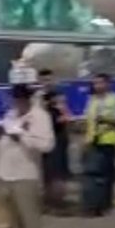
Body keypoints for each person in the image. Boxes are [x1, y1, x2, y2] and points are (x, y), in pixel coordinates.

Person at [0, 84, 55, 228]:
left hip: (26, 173)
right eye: (15, 100)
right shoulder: (11, 115)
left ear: (28, 100)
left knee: (29, 216)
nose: (18, 104)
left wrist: (22, 137)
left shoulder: (39, 117)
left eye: (21, 100)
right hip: (6, 172)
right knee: (15, 217)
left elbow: (47, 145)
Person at [81, 73, 115, 215]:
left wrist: (105, 119)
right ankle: (93, 204)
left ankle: (105, 205)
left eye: (100, 83)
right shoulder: (92, 100)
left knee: (106, 175)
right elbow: (87, 119)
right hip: (92, 140)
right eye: (95, 83)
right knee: (92, 174)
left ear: (108, 84)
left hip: (108, 141)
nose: (97, 86)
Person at [37, 69, 72, 212]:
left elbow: (66, 116)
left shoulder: (59, 95)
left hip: (58, 135)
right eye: (44, 80)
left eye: (49, 80)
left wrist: (61, 112)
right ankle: (48, 198)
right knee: (47, 169)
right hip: (44, 135)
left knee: (58, 168)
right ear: (39, 81)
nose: (47, 83)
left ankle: (58, 199)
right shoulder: (37, 97)